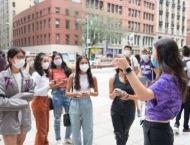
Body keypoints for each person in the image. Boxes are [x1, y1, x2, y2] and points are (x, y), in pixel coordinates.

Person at [114, 38, 187, 145]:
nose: (151, 56)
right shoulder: (171, 75)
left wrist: (127, 69)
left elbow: (144, 95)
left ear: (162, 55)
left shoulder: (167, 79)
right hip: (159, 130)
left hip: (157, 132)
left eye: (153, 52)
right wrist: (129, 96)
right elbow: (150, 95)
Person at [0, 48, 34, 145]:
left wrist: (13, 99)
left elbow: (32, 93)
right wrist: (23, 102)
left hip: (24, 117)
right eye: (18, 57)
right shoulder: (2, 77)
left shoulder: (26, 76)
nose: (21, 59)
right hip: (8, 118)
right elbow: (1, 102)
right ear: (10, 59)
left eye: (23, 57)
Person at [66, 55, 98, 145]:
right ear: (78, 64)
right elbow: (67, 93)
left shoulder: (92, 77)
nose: (84, 65)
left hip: (87, 103)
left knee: (88, 129)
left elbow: (96, 93)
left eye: (86, 63)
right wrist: (75, 94)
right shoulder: (72, 76)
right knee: (75, 131)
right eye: (82, 63)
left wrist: (89, 93)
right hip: (74, 104)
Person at [109, 57, 135, 145]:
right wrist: (114, 93)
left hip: (129, 110)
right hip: (116, 110)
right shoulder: (113, 79)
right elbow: (110, 96)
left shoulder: (133, 78)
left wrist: (128, 96)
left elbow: (138, 96)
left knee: (125, 133)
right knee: (118, 134)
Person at [31, 53, 54, 145]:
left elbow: (45, 89)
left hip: (45, 100)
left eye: (48, 61)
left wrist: (51, 86)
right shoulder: (36, 74)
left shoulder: (44, 73)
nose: (47, 63)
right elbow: (33, 92)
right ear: (38, 62)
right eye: (44, 61)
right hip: (38, 101)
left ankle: (45, 143)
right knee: (41, 129)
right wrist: (48, 86)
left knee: (46, 128)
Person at [50, 52, 72, 145]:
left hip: (67, 93)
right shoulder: (51, 71)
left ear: (62, 59)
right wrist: (58, 83)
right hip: (57, 94)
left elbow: (72, 82)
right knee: (57, 118)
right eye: (56, 58)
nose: (58, 60)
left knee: (70, 116)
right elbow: (51, 86)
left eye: (59, 58)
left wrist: (67, 81)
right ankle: (58, 139)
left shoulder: (67, 70)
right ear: (53, 60)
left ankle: (67, 137)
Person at [174, 45, 190, 133]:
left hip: (179, 86)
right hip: (188, 87)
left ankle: (176, 123)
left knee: (180, 105)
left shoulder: (179, 62)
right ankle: (186, 126)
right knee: (187, 107)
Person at [122, 45, 141, 117]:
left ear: (130, 51)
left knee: (134, 95)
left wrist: (133, 77)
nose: (126, 50)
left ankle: (138, 109)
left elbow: (137, 70)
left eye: (128, 49)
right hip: (125, 79)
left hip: (132, 79)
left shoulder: (133, 59)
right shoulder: (123, 58)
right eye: (125, 49)